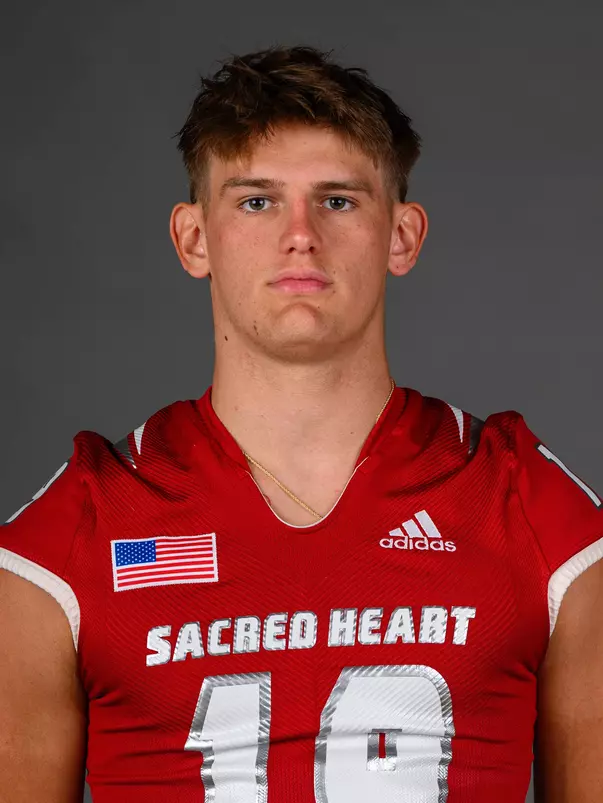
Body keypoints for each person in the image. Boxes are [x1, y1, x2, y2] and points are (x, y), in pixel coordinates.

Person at [0, 44, 601, 803]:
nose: (300, 234)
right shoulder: (69, 538)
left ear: (402, 236)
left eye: (338, 200)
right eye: (256, 201)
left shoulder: (536, 514)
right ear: (193, 238)